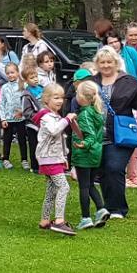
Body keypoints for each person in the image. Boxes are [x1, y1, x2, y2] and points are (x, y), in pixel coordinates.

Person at [92, 46, 137, 218]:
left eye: (109, 62)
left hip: (120, 134)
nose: (106, 65)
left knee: (115, 167)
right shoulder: (92, 82)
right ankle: (109, 206)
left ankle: (118, 209)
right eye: (102, 62)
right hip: (97, 134)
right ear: (97, 64)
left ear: (116, 63)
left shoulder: (128, 81)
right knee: (103, 170)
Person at [34, 83, 76, 235]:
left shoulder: (54, 116)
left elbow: (60, 141)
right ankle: (59, 221)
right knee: (64, 187)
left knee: (51, 191)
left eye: (62, 98)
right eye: (56, 97)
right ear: (46, 99)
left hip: (54, 158)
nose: (60, 101)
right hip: (48, 158)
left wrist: (63, 157)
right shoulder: (47, 117)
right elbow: (54, 131)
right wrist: (67, 119)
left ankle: (44, 220)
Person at [69, 79, 109, 230]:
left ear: (83, 97)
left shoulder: (85, 114)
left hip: (85, 154)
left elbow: (90, 135)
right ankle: (101, 208)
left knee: (83, 186)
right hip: (95, 154)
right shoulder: (95, 111)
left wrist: (83, 144)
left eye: (77, 93)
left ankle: (85, 217)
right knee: (90, 184)